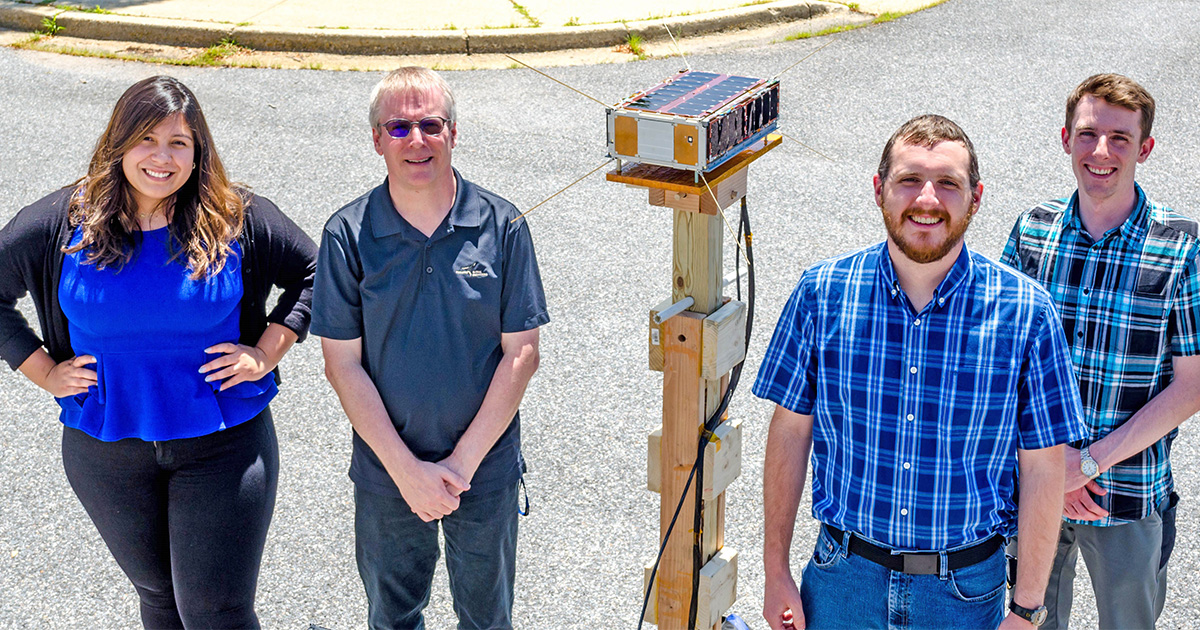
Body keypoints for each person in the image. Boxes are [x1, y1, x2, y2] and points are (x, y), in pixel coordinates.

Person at [0, 75, 317, 629]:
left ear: (199, 152)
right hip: (106, 452)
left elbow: (319, 273)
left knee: (216, 611)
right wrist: (43, 371)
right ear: (119, 143)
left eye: (178, 143)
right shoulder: (62, 224)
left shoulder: (234, 216)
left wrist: (267, 351)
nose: (161, 158)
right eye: (146, 139)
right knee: (159, 597)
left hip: (222, 446)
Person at [755, 114, 1085, 630]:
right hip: (842, 581)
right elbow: (791, 432)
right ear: (879, 190)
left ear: (976, 198)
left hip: (963, 594)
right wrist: (776, 570)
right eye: (909, 180)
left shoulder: (1027, 313)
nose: (926, 200)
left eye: (948, 184)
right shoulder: (822, 293)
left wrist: (1026, 611)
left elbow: (1044, 468)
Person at [312, 66, 548, 630]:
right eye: (398, 127)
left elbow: (522, 354)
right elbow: (341, 363)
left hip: (484, 469)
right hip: (386, 469)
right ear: (376, 139)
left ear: (453, 133)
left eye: (430, 125)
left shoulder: (503, 225)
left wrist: (461, 466)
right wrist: (407, 472)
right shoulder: (347, 234)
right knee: (392, 618)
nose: (416, 140)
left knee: (488, 620)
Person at [1001, 73, 1200, 629]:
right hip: (1032, 486)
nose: (1102, 152)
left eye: (1120, 137)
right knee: (1025, 621)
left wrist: (1085, 463)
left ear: (1146, 148)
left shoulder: (1182, 247)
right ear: (1066, 139)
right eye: (1088, 134)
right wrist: (1051, 466)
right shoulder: (1033, 232)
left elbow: (1193, 385)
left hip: (1130, 493)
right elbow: (997, 362)